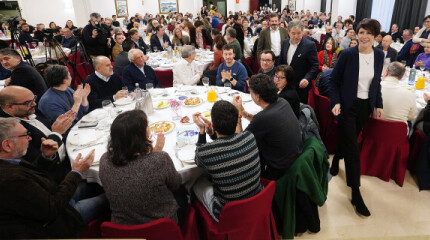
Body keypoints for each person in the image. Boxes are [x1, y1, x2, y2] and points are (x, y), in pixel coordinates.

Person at [0, 118, 108, 238]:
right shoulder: (8, 179)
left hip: (53, 195)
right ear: (7, 145)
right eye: (25, 135)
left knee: (98, 184)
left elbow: (30, 179)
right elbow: (52, 208)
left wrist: (45, 157)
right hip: (59, 221)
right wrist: (76, 172)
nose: (29, 138)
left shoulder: (9, 162)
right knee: (110, 196)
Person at [329, 18, 385, 217]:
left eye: (369, 33)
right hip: (347, 106)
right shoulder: (347, 55)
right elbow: (334, 82)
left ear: (375, 36)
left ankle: (335, 160)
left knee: (349, 140)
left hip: (365, 107)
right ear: (356, 33)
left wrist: (378, 103)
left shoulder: (379, 55)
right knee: (353, 148)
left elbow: (376, 81)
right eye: (361, 32)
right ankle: (355, 192)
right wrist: (335, 102)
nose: (364, 36)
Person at [100, 110, 185, 225]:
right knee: (184, 192)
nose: (149, 128)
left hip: (124, 229)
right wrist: (156, 153)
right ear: (139, 137)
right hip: (162, 227)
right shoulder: (160, 159)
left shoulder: (105, 161)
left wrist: (154, 153)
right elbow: (175, 184)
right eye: (147, 126)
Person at [192, 101, 263, 221]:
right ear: (236, 121)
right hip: (257, 201)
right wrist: (213, 134)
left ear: (213, 124)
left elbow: (198, 160)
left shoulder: (207, 152)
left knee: (196, 183)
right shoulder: (249, 137)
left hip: (228, 213)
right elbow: (226, 146)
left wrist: (202, 131)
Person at [232, 74, 302, 180]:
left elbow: (239, 144)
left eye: (251, 92)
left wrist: (238, 114)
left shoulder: (262, 118)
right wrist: (245, 113)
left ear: (258, 97)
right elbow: (265, 123)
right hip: (294, 157)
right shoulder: (282, 102)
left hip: (278, 169)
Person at [0, 86, 75, 183]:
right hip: (57, 177)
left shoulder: (29, 110)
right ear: (9, 107)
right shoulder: (11, 129)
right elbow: (39, 162)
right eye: (28, 102)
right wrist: (56, 133)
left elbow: (51, 131)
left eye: (34, 99)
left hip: (70, 156)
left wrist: (61, 126)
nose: (34, 104)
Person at [279, 20, 319, 103]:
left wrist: (307, 78)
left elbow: (315, 66)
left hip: (300, 86)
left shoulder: (309, 45)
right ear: (288, 32)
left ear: (302, 32)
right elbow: (281, 62)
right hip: (285, 84)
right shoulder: (285, 43)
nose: (296, 36)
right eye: (293, 33)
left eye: (299, 33)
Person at [381, 62, 416, 127]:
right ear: (402, 76)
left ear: (387, 72)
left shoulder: (375, 88)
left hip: (373, 129)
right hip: (397, 133)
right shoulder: (409, 94)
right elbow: (412, 116)